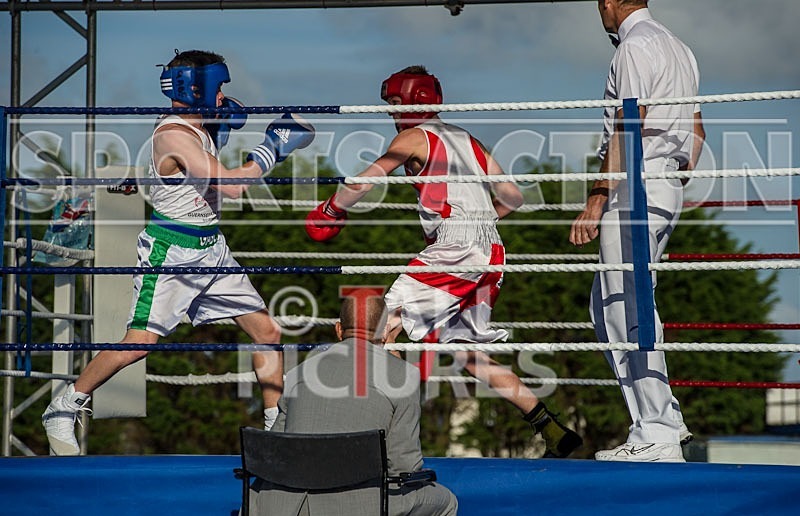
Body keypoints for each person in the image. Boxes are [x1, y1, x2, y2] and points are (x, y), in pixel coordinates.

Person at [42, 49, 315, 455]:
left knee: (267, 332)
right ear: (196, 87)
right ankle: (64, 406)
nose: (224, 95)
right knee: (138, 343)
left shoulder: (199, 122)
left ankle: (277, 428)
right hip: (172, 253)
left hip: (213, 249)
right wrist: (271, 148)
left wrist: (222, 125)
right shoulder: (173, 135)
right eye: (218, 87)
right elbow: (232, 186)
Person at [305, 66, 583, 459]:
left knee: (377, 329)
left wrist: (332, 210)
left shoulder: (414, 137)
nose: (390, 112)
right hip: (492, 253)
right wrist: (476, 221)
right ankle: (550, 427)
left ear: (416, 99)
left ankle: (372, 438)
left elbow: (366, 180)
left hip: (457, 248)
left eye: (395, 103)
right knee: (468, 353)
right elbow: (513, 197)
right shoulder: (468, 140)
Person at [569, 0, 705, 462]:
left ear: (608, 3)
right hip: (664, 184)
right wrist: (676, 173)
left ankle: (657, 430)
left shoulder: (632, 48)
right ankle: (658, 420)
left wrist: (598, 196)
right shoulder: (680, 49)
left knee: (624, 306)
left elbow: (629, 120)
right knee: (615, 304)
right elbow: (698, 129)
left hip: (636, 184)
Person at [251, 294, 458, 516]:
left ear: (339, 330)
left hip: (285, 506)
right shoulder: (403, 376)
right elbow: (404, 466)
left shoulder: (299, 373)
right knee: (446, 502)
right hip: (363, 505)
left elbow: (275, 451)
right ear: (385, 331)